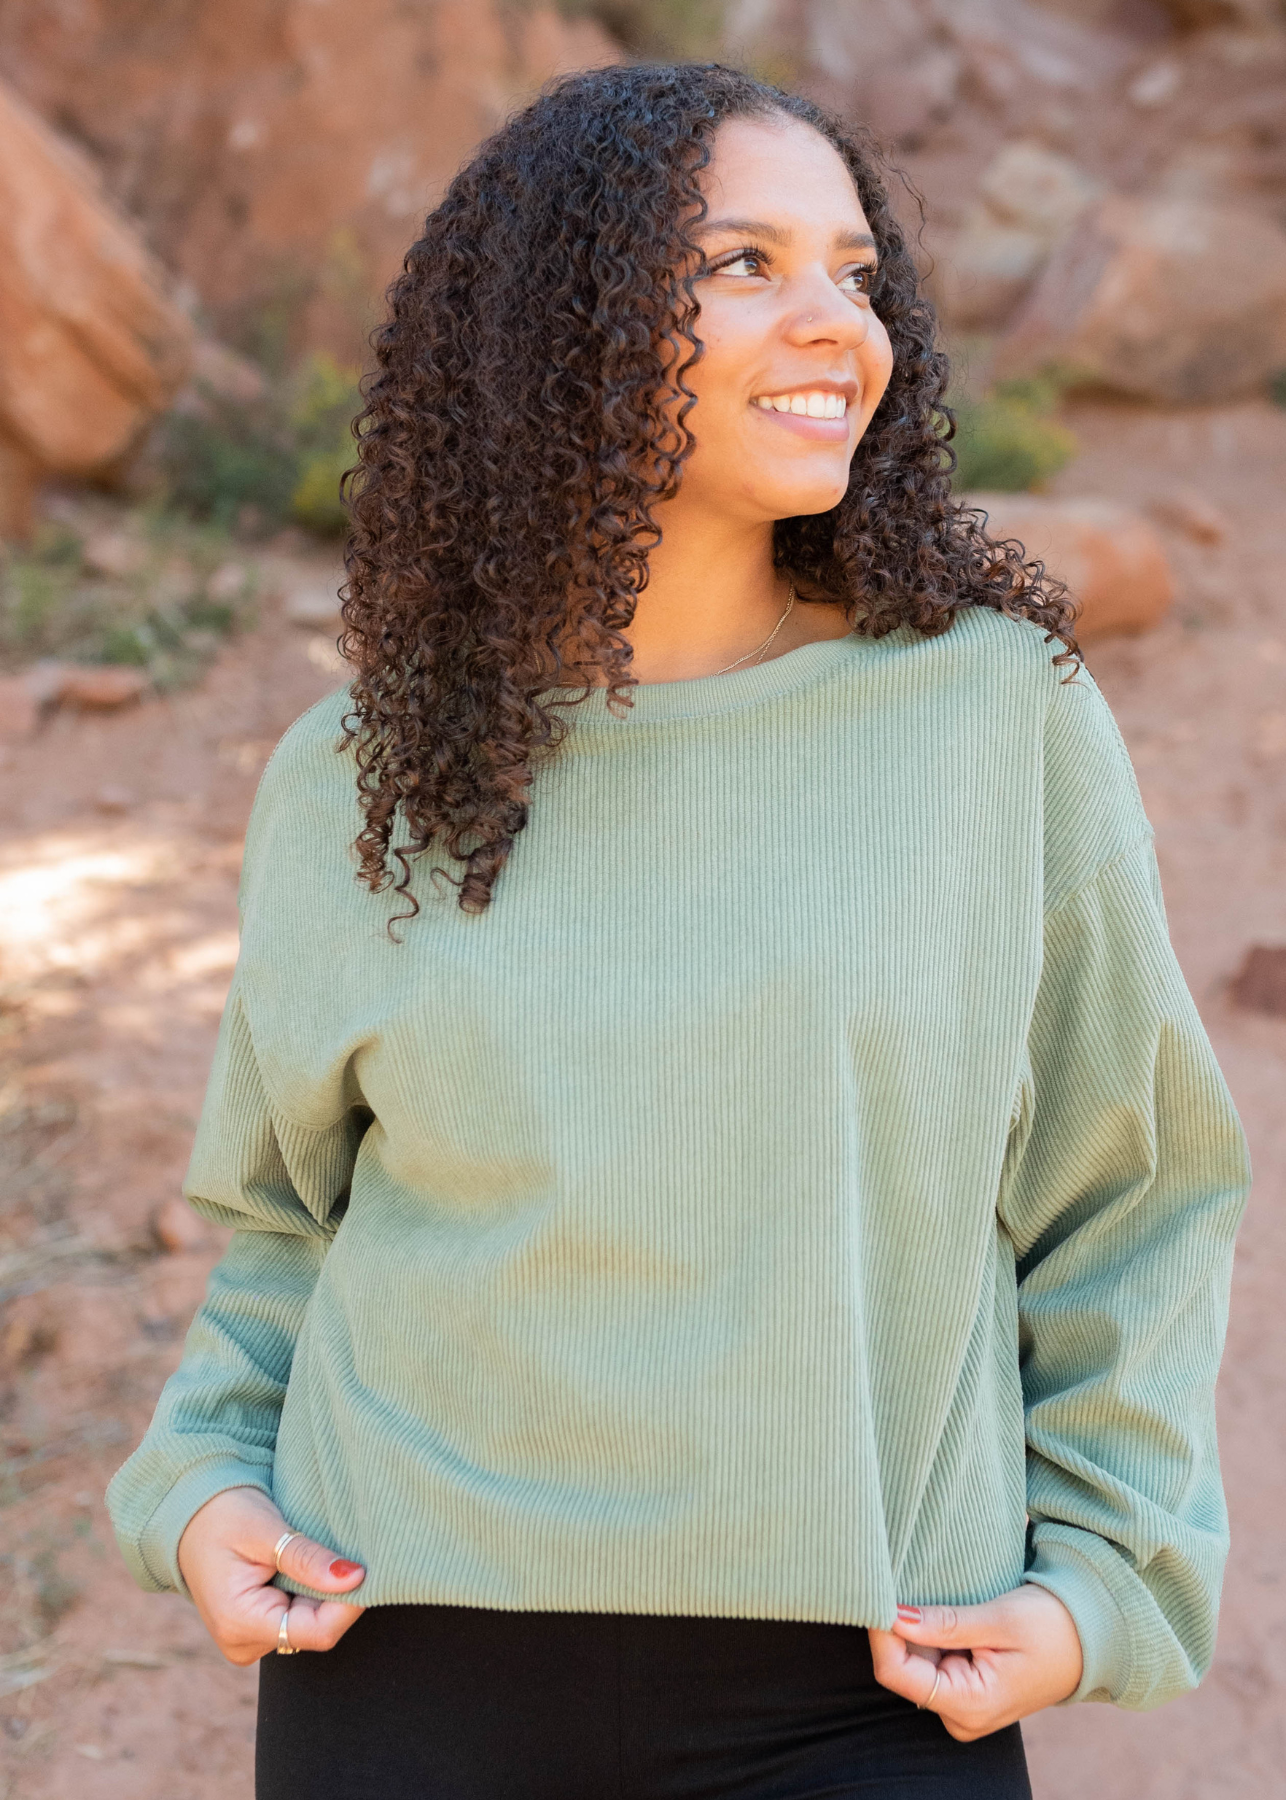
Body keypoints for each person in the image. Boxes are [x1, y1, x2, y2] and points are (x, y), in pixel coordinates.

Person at [106, 62, 1250, 1800]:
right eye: (743, 265)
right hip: (399, 1663)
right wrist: (199, 1481)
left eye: (857, 275)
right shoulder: (362, 771)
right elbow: (285, 1218)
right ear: (558, 329)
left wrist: (1104, 1571)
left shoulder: (989, 720)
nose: (835, 325)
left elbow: (1137, 1186)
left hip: (861, 1687)